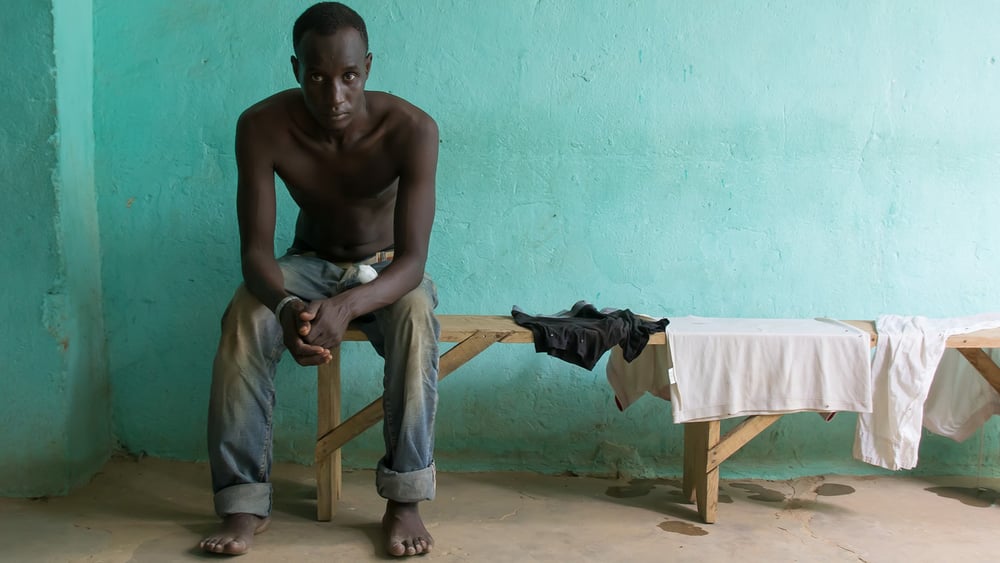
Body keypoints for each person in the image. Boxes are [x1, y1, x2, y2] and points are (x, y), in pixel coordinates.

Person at [198, 2, 440, 557]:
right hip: (306, 263)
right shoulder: (262, 126)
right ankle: (242, 503)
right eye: (317, 77)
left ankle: (405, 500)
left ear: (368, 67)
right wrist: (285, 306)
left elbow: (413, 262)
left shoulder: (412, 129)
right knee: (245, 313)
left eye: (349, 76)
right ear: (295, 69)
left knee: (417, 314)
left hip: (386, 268)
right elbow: (255, 254)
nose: (335, 96)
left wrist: (350, 305)